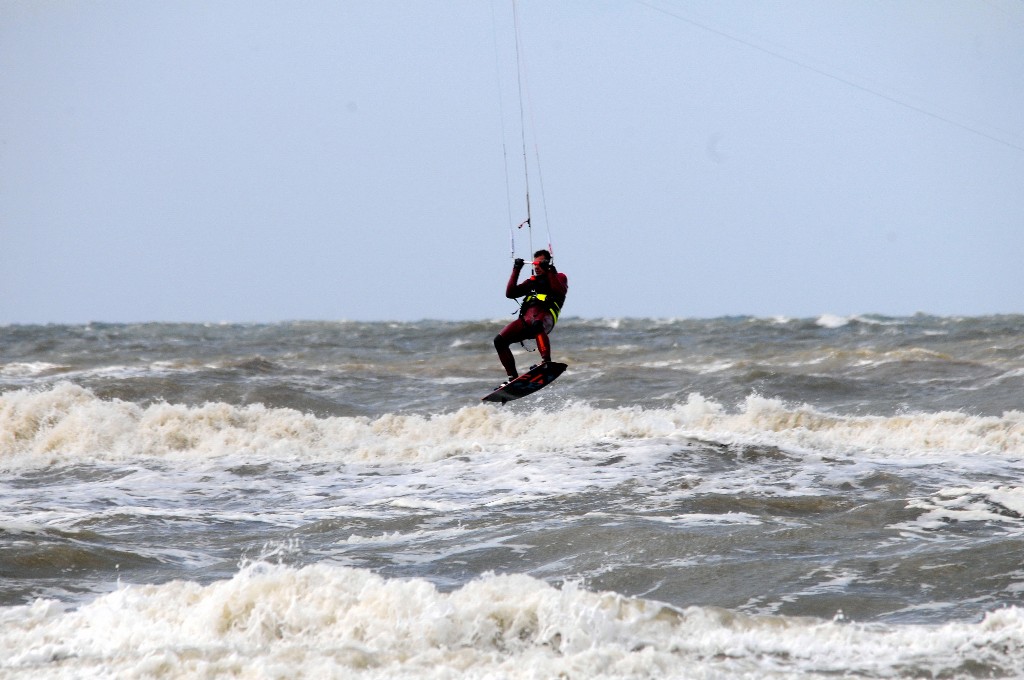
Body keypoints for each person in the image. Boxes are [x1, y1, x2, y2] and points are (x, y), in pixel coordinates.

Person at [493, 249, 569, 385]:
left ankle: (546, 362)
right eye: (535, 264)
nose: (536, 267)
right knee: (499, 341)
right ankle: (512, 377)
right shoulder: (531, 282)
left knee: (537, 324)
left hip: (545, 318)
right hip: (526, 321)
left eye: (540, 264)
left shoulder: (559, 277)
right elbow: (510, 293)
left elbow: (559, 290)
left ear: (547, 262)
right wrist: (516, 269)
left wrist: (550, 270)